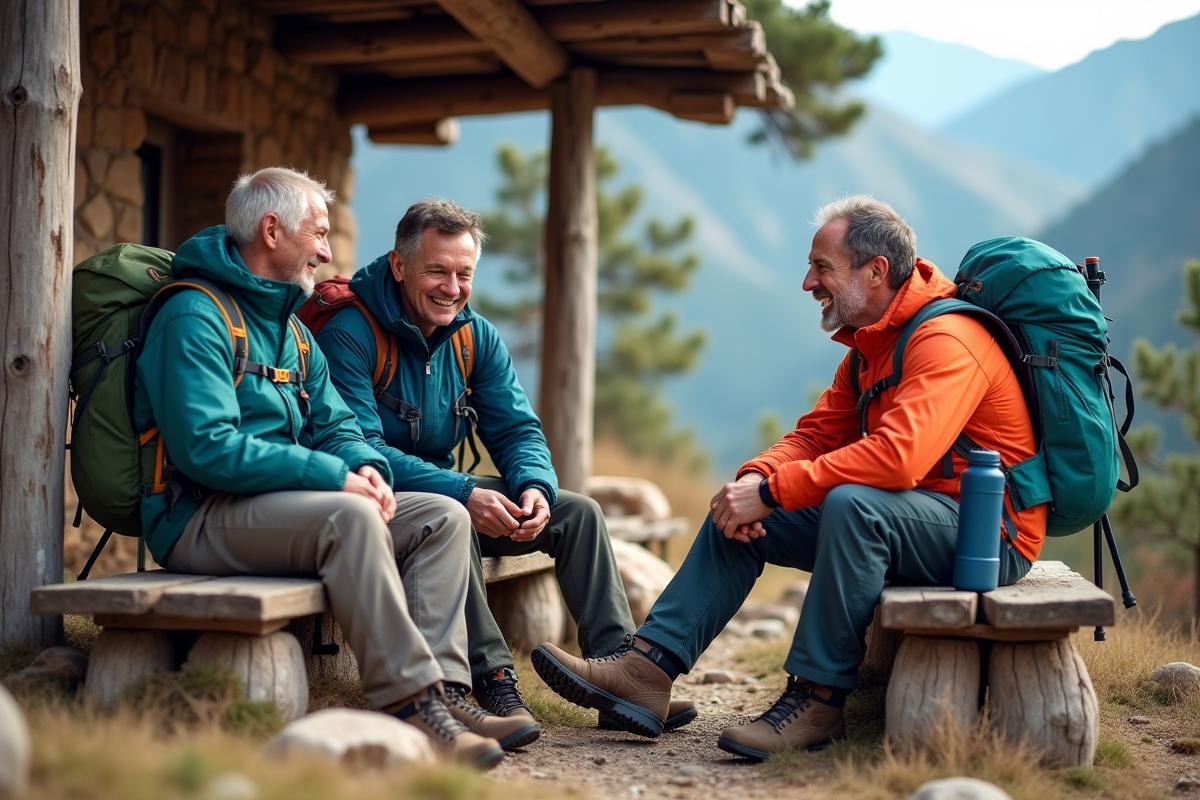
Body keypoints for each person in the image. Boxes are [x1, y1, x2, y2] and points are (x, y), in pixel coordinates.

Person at [530, 195, 1048, 760]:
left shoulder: (945, 341)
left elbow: (898, 458)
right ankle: (647, 669)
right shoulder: (873, 343)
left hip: (989, 534)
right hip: (914, 517)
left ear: (876, 271)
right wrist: (753, 482)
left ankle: (817, 701)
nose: (808, 282)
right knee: (743, 508)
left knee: (854, 504)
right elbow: (814, 435)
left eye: (822, 267)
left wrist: (775, 491)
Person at [134, 168, 504, 769]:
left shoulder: (292, 332)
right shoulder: (193, 316)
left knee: (441, 515)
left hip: (278, 511)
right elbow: (208, 449)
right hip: (198, 516)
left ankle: (448, 692)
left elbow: (337, 427)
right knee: (348, 518)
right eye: (320, 233)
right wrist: (334, 479)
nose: (330, 251)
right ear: (272, 230)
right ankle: (411, 703)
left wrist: (365, 467)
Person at [315, 198, 697, 741]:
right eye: (436, 271)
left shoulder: (475, 337)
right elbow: (360, 450)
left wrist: (534, 487)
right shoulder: (350, 333)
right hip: (381, 504)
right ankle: (493, 678)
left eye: (463, 273)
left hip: (450, 494)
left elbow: (518, 431)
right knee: (453, 515)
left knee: (578, 513)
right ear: (399, 267)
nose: (452, 287)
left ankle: (622, 675)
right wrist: (465, 489)